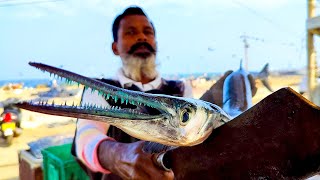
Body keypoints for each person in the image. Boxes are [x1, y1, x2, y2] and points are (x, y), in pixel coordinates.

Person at [71, 6, 256, 180]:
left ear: (155, 43)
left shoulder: (180, 89)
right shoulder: (100, 90)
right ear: (115, 47)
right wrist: (117, 155)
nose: (141, 37)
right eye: (130, 32)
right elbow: (86, 136)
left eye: (147, 32)